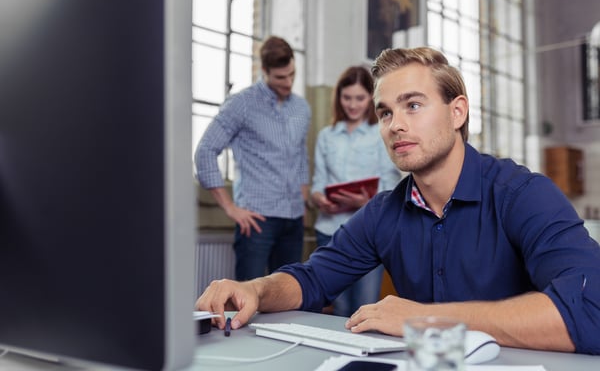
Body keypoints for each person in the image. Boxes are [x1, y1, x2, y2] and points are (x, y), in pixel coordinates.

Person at [195, 47, 600, 354]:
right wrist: (255, 289)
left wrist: (426, 320)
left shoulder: (523, 195)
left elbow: (592, 310)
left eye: (414, 105)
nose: (396, 125)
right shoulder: (384, 212)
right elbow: (313, 279)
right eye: (385, 113)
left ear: (457, 112)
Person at [194, 36, 311, 281]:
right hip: (257, 221)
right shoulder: (241, 104)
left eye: (292, 75)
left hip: (294, 220)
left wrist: (303, 193)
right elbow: (205, 151)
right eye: (280, 77)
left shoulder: (301, 108)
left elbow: (300, 154)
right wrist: (230, 207)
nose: (288, 83)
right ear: (263, 71)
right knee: (246, 302)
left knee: (289, 300)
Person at [310, 66, 401, 316]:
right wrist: (319, 198)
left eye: (359, 98)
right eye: (346, 97)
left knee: (365, 306)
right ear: (338, 97)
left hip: (368, 232)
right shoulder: (327, 136)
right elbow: (318, 182)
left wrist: (367, 200)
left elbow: (392, 185)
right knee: (337, 307)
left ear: (371, 98)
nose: (352, 105)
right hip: (329, 230)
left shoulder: (382, 134)